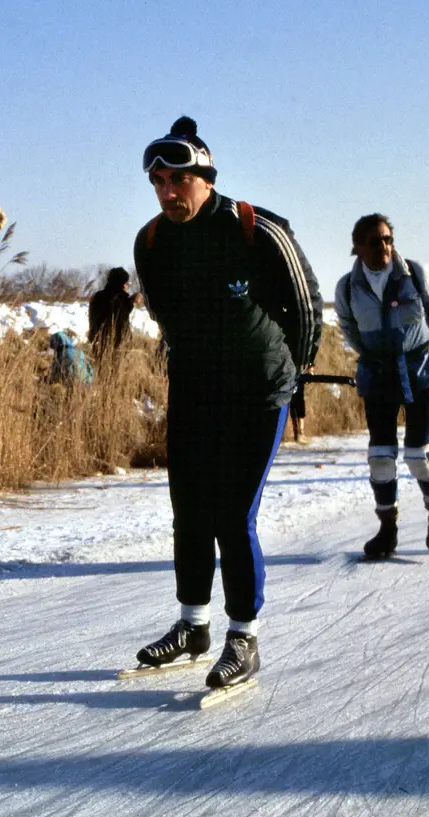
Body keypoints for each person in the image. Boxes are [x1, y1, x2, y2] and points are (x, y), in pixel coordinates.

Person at [132, 117, 323, 690]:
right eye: (158, 183)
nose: (168, 193)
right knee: (189, 509)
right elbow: (166, 314)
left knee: (233, 515)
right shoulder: (152, 241)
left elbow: (305, 306)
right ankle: (194, 626)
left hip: (260, 389)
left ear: (205, 176)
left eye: (178, 181)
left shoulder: (254, 228)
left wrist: (295, 372)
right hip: (195, 386)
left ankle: (244, 636)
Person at [334, 213, 429, 560]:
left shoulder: (415, 275)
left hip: (421, 373)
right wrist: (372, 357)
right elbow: (347, 326)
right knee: (380, 458)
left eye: (388, 239)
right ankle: (387, 529)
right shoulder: (347, 287)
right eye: (375, 242)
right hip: (378, 376)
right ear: (357, 247)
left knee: (421, 457)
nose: (384, 247)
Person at [87, 266, 138, 361]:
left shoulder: (98, 296)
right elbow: (121, 318)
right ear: (123, 284)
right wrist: (130, 300)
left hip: (97, 343)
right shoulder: (121, 299)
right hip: (117, 347)